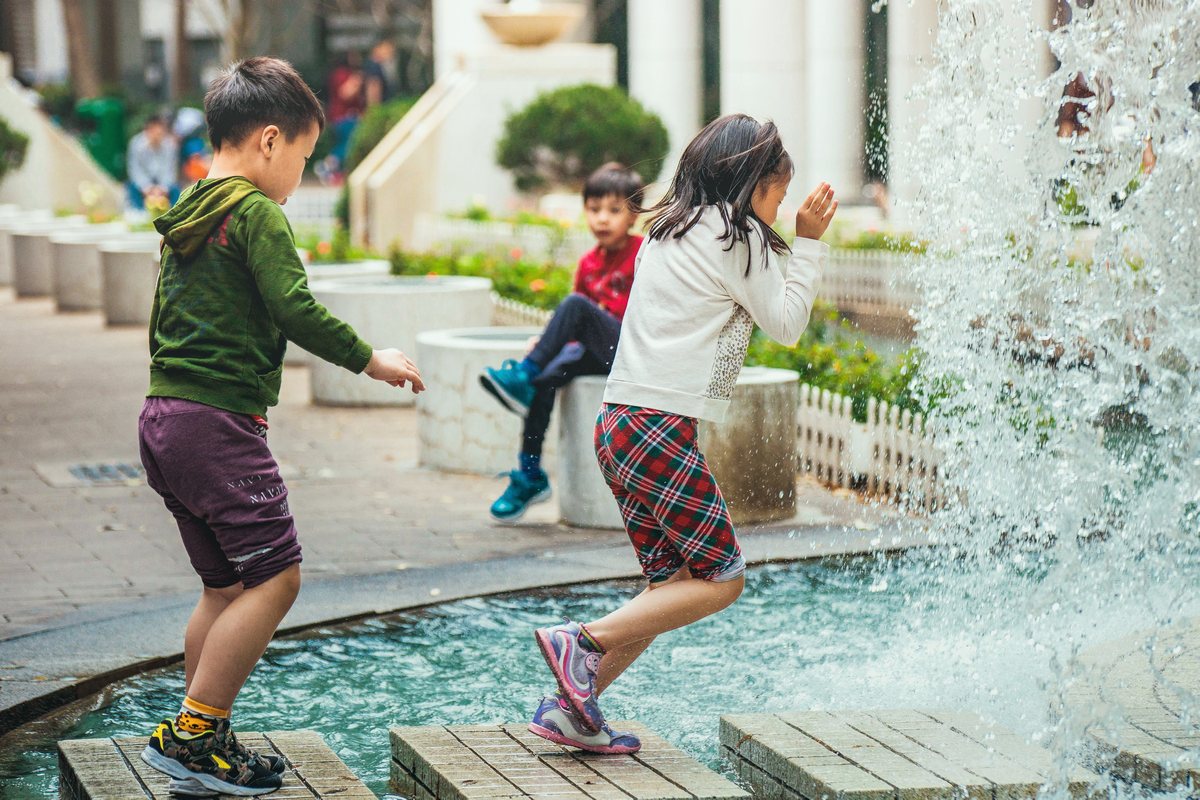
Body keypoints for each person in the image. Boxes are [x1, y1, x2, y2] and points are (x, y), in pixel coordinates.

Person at [136, 56, 424, 796]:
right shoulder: (254, 212)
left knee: (225, 588)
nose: (302, 173)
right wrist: (370, 359)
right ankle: (193, 734)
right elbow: (294, 307)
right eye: (303, 155)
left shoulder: (193, 207)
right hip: (215, 426)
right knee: (277, 577)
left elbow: (164, 318)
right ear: (270, 140)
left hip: (165, 418)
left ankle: (203, 733)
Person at [527, 115, 836, 754]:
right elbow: (785, 325)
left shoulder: (671, 227)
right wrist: (809, 242)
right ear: (752, 183)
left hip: (618, 424)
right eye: (778, 196)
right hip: (658, 427)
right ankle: (580, 642)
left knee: (671, 587)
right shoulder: (736, 235)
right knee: (723, 578)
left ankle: (569, 711)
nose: (779, 211)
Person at [479, 163, 644, 523]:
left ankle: (523, 373)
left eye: (614, 210)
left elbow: (591, 313)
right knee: (544, 378)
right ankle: (530, 474)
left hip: (631, 349)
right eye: (594, 209)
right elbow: (576, 327)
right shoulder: (589, 263)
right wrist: (546, 344)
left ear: (633, 214)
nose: (602, 218)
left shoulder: (643, 253)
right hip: (597, 352)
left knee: (574, 306)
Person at [126, 115, 181, 211]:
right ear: (147, 131)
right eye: (155, 133)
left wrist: (163, 188)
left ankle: (175, 212)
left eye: (161, 133)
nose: (158, 136)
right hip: (143, 181)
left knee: (175, 189)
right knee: (132, 186)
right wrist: (146, 187)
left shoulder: (170, 145)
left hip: (163, 181)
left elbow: (170, 169)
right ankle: (137, 212)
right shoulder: (136, 144)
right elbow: (135, 169)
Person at [363, 38, 396, 107]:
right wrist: (375, 110)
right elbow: (373, 92)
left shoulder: (376, 65)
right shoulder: (373, 66)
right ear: (377, 49)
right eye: (387, 49)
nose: (391, 52)